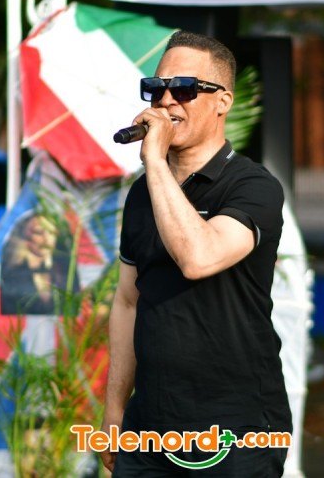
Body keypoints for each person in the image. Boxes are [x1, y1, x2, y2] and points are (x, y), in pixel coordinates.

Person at [101, 31, 291, 477]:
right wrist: (114, 408)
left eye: (184, 88)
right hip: (149, 427)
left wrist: (154, 161)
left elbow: (198, 258)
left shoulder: (253, 187)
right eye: (156, 88)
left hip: (235, 430)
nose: (167, 100)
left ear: (223, 101)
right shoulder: (143, 194)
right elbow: (128, 301)